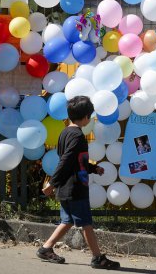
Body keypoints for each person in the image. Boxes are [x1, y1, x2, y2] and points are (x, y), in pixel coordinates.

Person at [37, 96, 120, 270]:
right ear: (85, 117)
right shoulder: (77, 136)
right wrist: (52, 183)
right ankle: (98, 258)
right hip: (74, 187)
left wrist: (92, 169)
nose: (89, 119)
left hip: (67, 186)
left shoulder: (65, 132)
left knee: (67, 220)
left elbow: (76, 161)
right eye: (89, 115)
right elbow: (66, 161)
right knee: (86, 223)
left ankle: (46, 248)